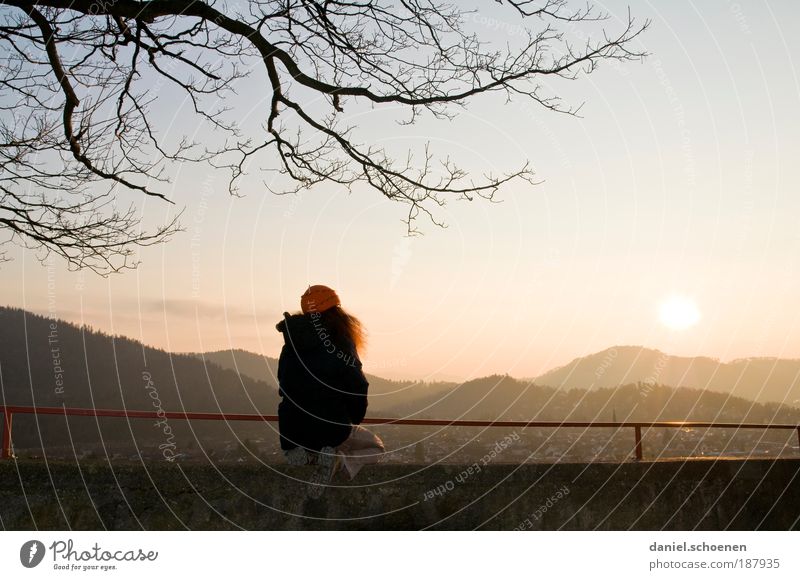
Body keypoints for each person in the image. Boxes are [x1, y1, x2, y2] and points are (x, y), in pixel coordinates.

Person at [275, 285, 384, 495]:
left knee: (315, 436)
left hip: (291, 429)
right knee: (376, 447)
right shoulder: (340, 340)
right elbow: (357, 385)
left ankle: (305, 455)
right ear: (336, 310)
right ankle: (339, 460)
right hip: (330, 426)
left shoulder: (291, 344)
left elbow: (285, 383)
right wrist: (354, 418)